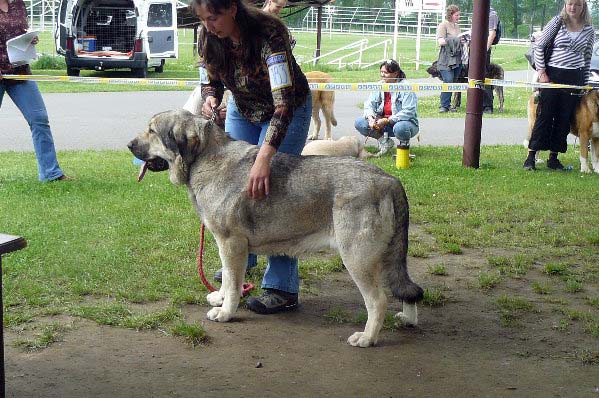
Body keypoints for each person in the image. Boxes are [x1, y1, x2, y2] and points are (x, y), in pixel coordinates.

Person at [192, 0, 311, 314]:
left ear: (232, 8)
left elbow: (283, 104)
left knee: (273, 192)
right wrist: (211, 98)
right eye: (202, 19)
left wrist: (263, 159)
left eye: (213, 17)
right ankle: (240, 264)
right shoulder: (208, 35)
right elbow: (210, 79)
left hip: (288, 111)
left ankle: (282, 288)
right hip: (242, 109)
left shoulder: (269, 35)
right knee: (233, 188)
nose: (208, 26)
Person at [0, 0, 69, 182]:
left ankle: (50, 173)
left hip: (20, 71)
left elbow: (21, 33)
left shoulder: (18, 4)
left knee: (39, 120)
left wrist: (30, 39)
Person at [523, 0, 594, 171]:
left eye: (577, 5)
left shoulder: (589, 30)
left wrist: (583, 84)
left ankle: (553, 158)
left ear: (583, 6)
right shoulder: (557, 22)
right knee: (544, 115)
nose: (573, 8)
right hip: (552, 76)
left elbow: (587, 58)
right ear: (565, 4)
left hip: (574, 78)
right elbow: (539, 46)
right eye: (570, 4)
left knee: (564, 119)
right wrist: (542, 73)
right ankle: (531, 157)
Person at [354, 59, 419, 146]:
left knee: (400, 128)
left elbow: (409, 111)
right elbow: (369, 104)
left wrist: (386, 120)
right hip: (381, 123)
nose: (382, 75)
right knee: (359, 123)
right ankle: (385, 143)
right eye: (381, 72)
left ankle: (404, 146)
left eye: (386, 73)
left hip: (403, 123)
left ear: (395, 73)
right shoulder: (379, 85)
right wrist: (371, 119)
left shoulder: (406, 87)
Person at [435, 4, 462, 113]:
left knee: (453, 82)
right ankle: (444, 105)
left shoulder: (457, 26)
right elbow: (440, 41)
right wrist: (454, 40)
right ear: (451, 15)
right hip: (446, 59)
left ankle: (448, 104)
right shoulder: (443, 25)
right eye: (457, 15)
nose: (458, 17)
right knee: (448, 80)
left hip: (456, 58)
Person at [482, 6, 499, 114]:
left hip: (483, 51)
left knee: (484, 76)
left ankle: (488, 105)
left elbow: (492, 33)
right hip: (474, 49)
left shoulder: (492, 14)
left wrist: (484, 49)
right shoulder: (478, 12)